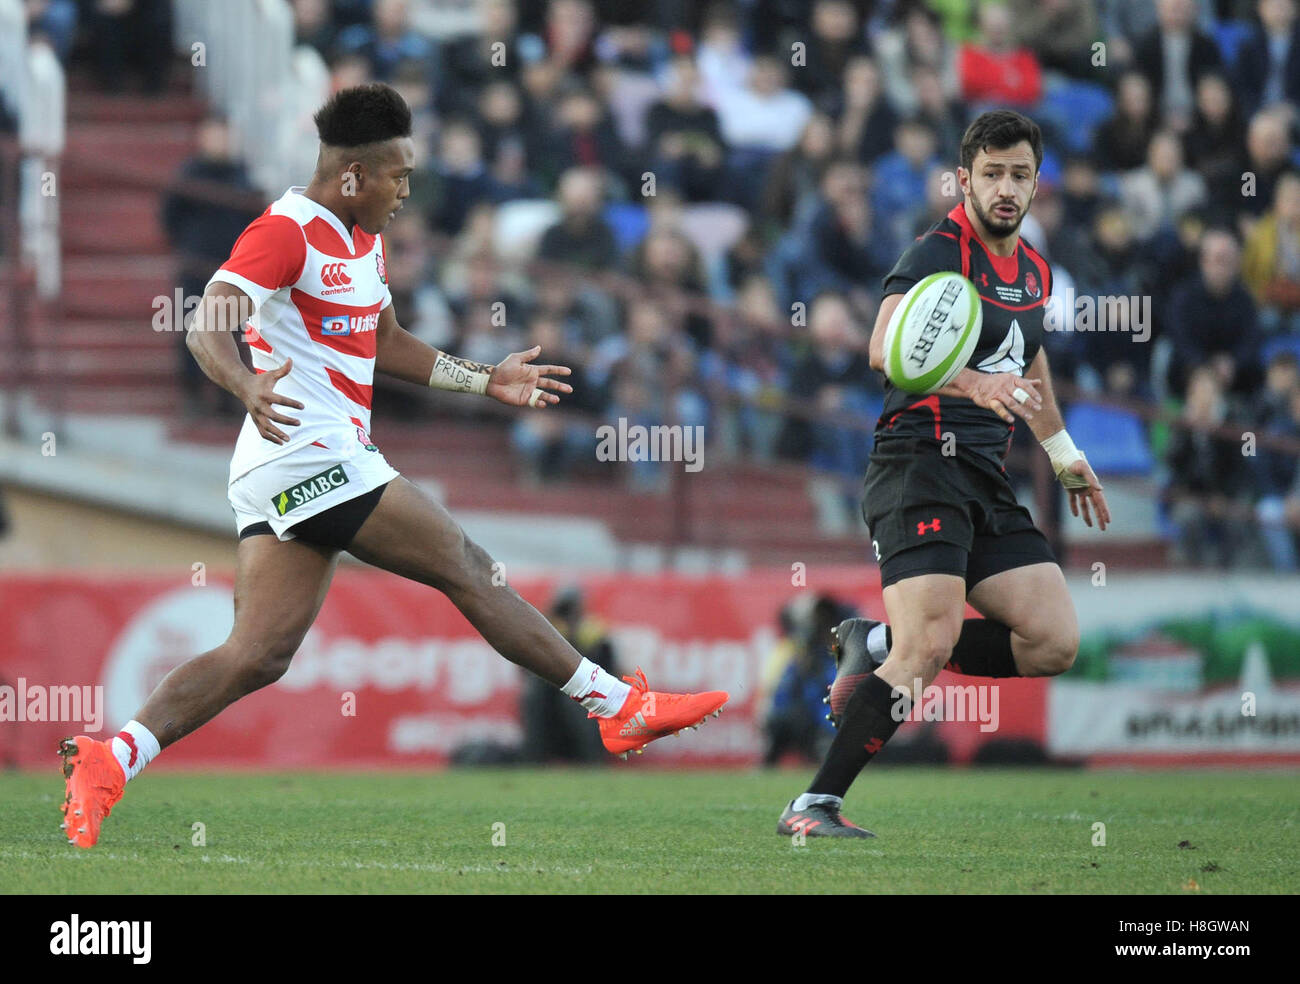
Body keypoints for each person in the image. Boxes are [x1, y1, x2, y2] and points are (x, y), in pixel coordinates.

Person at [57, 84, 729, 850]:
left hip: (305, 461)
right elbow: (207, 319)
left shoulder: (363, 240)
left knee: (258, 655)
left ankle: (113, 758)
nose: (408, 191)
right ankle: (614, 706)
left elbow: (386, 344)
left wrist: (486, 379)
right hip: (303, 451)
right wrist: (243, 382)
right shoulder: (286, 232)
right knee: (467, 563)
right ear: (352, 174)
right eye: (398, 175)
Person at [776, 110, 1110, 838]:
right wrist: (972, 384)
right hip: (918, 462)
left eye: (1020, 175)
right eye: (992, 174)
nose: (1006, 188)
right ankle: (813, 806)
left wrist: (1062, 453)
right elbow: (881, 347)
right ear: (965, 179)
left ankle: (873, 644)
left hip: (986, 476)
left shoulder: (1036, 272)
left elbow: (1030, 365)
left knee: (1053, 639)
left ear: (1035, 183)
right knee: (925, 647)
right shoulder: (936, 251)